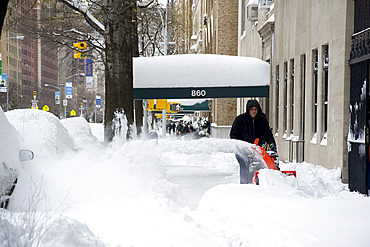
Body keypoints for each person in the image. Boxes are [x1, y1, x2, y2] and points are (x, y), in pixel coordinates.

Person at [230, 99, 277, 184]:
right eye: (252, 109)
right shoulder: (240, 120)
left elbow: (268, 134)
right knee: (245, 166)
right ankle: (245, 184)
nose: (254, 111)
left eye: (255, 109)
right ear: (248, 110)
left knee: (260, 166)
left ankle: (258, 184)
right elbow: (233, 135)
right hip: (242, 151)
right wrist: (243, 147)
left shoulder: (262, 120)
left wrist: (272, 144)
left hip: (257, 150)